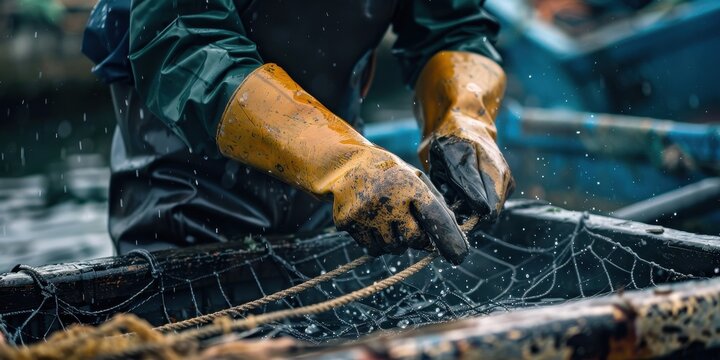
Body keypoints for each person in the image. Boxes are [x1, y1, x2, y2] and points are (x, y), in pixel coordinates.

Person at [82, 0, 514, 265]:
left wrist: (464, 119)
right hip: (185, 193)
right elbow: (183, 44)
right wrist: (341, 162)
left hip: (331, 202)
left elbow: (454, 27)